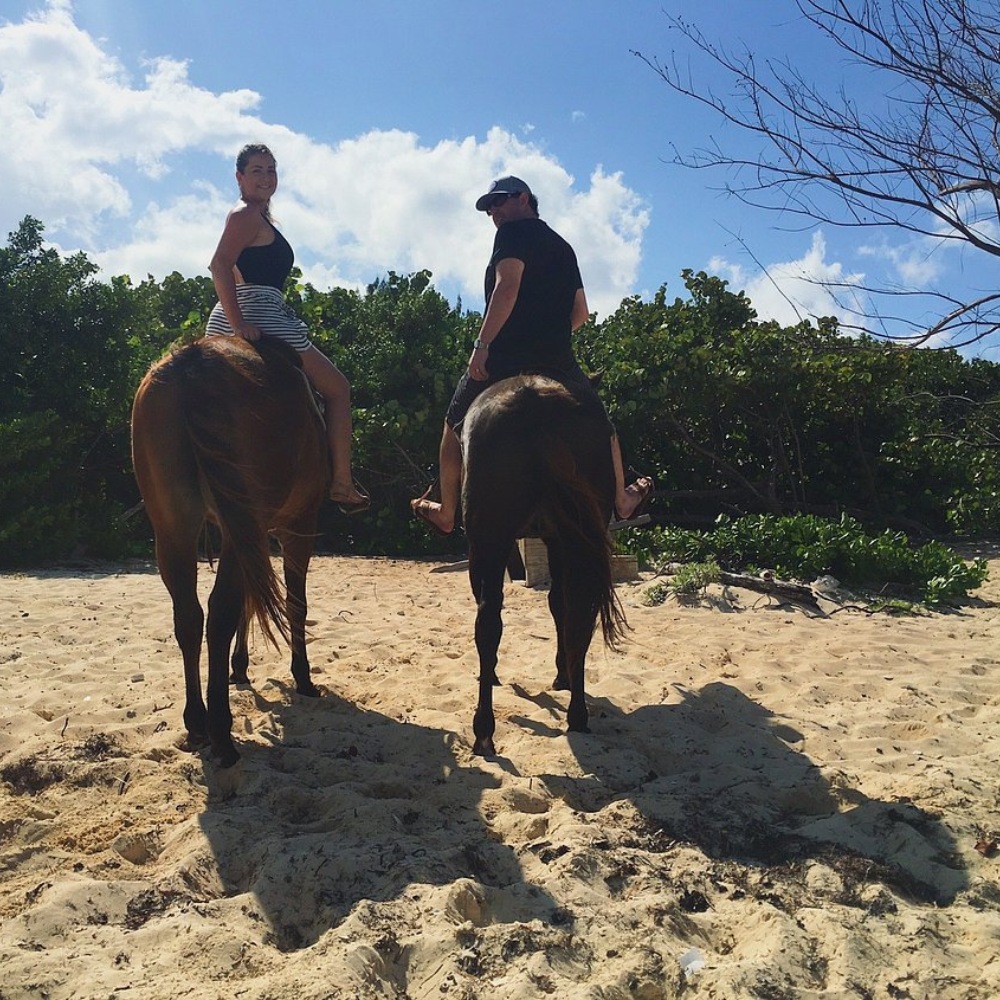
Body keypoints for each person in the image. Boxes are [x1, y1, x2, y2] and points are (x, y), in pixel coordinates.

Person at [410, 175, 653, 535]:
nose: (493, 211)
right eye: (489, 207)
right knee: (602, 426)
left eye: (499, 201)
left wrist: (482, 346)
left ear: (524, 199)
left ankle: (446, 511)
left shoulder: (512, 233)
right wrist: (549, 334)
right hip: (557, 360)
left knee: (453, 426)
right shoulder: (563, 246)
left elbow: (507, 287)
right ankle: (622, 498)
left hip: (505, 357)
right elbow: (581, 312)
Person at [205, 142, 369, 514]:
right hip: (259, 313)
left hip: (242, 310)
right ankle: (342, 482)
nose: (265, 177)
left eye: (271, 169)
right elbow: (219, 265)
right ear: (239, 177)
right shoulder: (246, 214)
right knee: (339, 390)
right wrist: (239, 323)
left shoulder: (253, 217)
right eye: (257, 170)